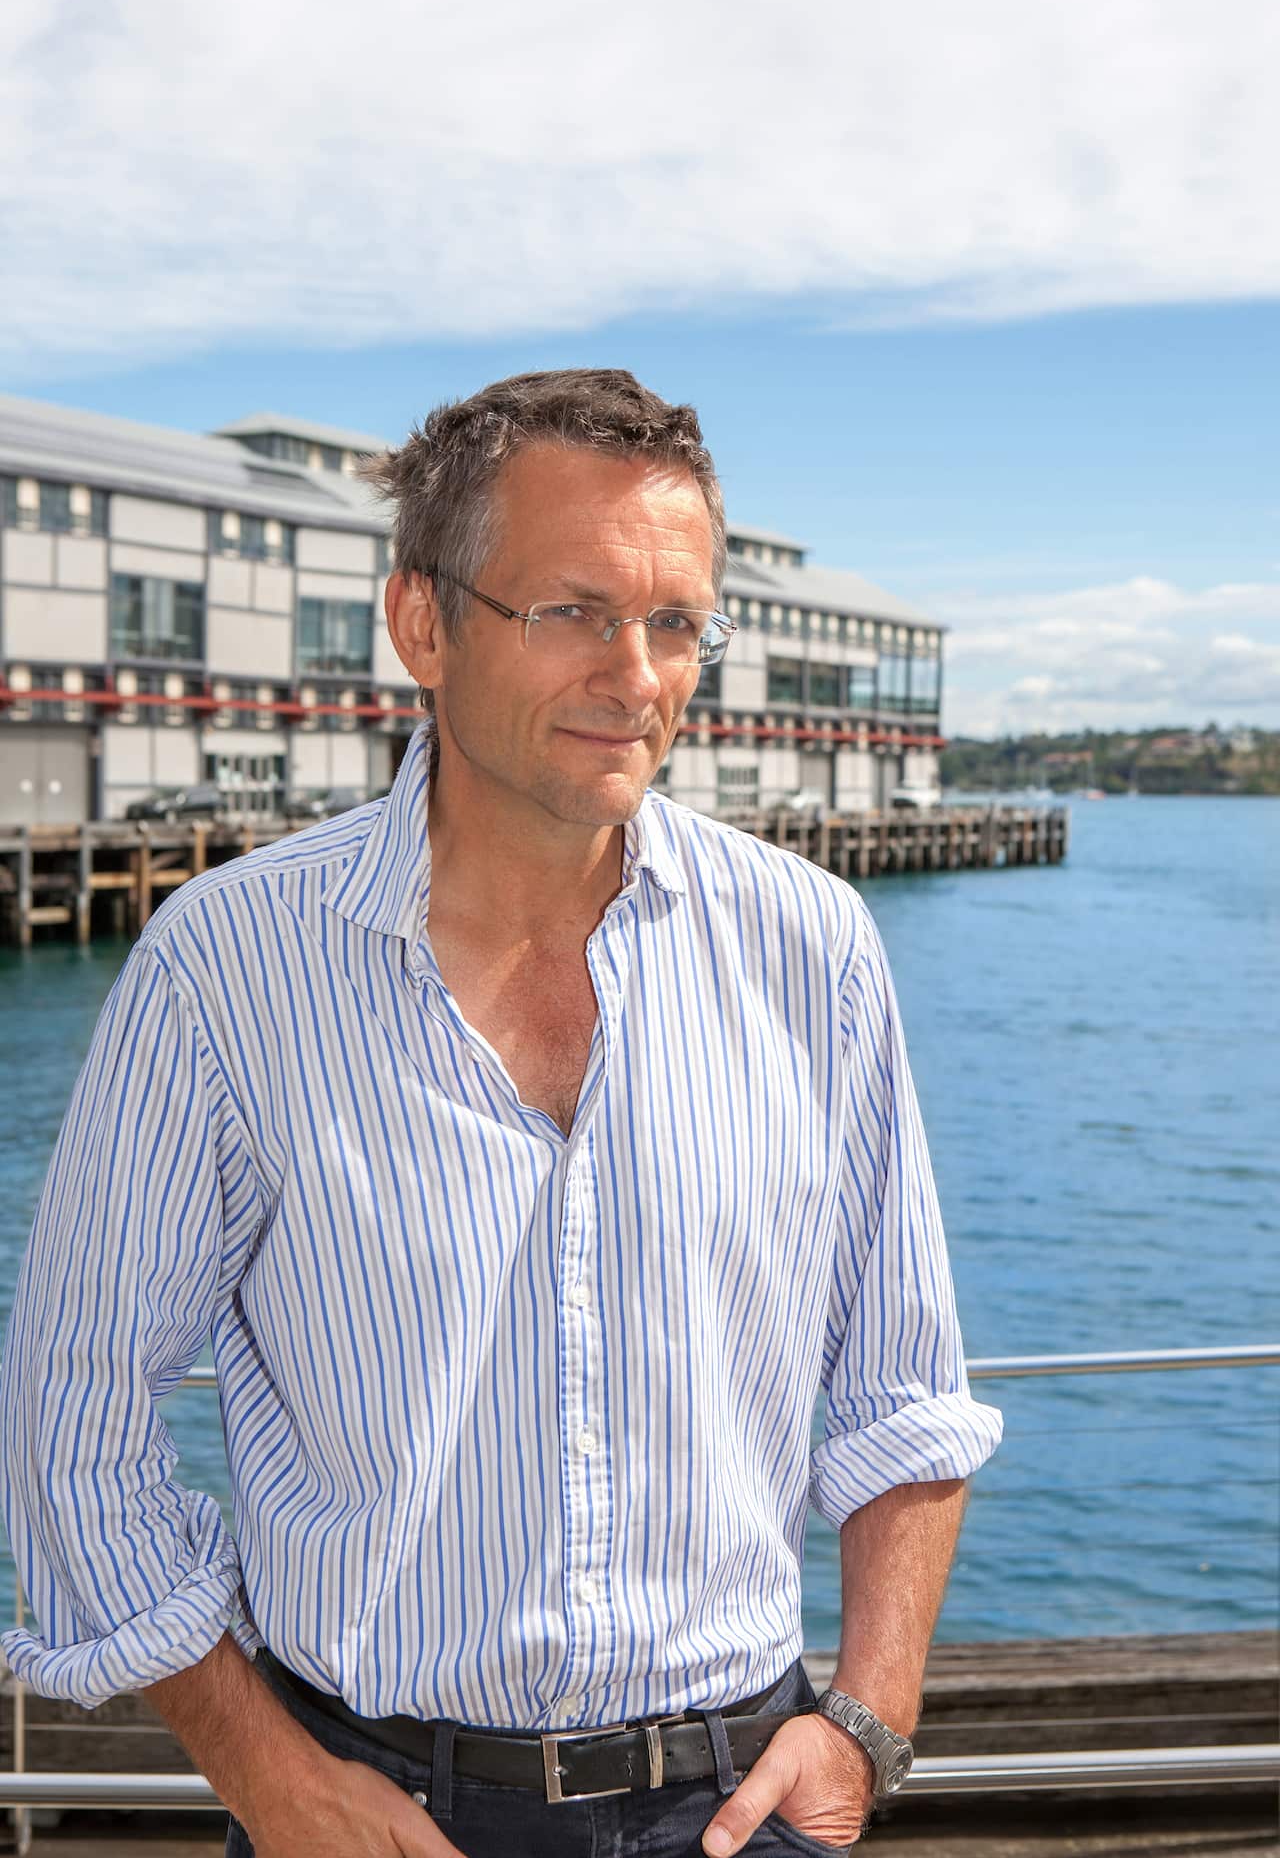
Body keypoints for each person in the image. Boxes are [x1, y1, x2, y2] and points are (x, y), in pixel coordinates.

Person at [0, 369, 1002, 1858]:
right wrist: (270, 1782)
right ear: (425, 624)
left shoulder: (815, 948)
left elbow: (901, 1389)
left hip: (743, 1806)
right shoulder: (227, 970)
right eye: (574, 610)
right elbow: (71, 1417)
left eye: (675, 622)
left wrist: (866, 1718)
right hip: (370, 1810)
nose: (639, 673)